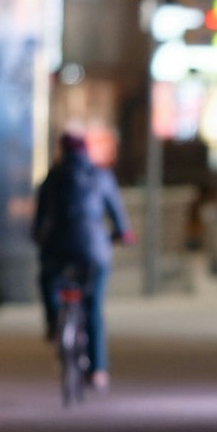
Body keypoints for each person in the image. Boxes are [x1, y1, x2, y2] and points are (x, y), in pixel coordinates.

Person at [34, 130, 129, 389]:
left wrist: (38, 238)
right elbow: (117, 213)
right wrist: (122, 233)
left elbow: (40, 220)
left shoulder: (52, 178)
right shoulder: (101, 176)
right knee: (93, 307)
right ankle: (98, 370)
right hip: (94, 250)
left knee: (47, 277)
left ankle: (54, 323)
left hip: (58, 247)